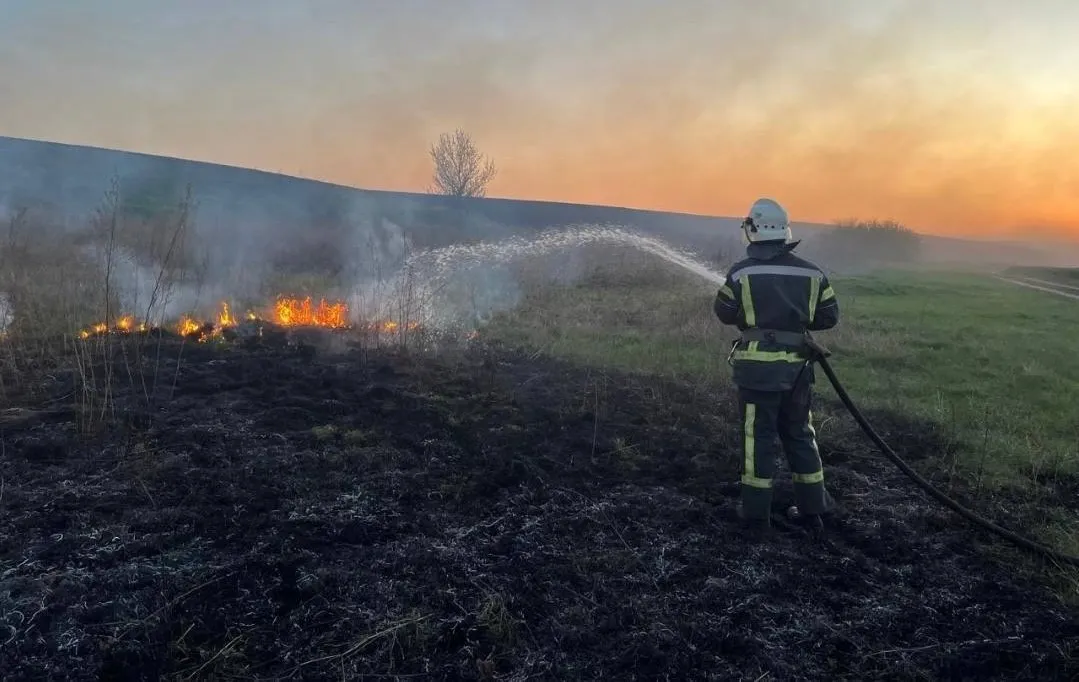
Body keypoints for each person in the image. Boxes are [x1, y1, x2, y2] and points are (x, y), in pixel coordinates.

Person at [713, 197, 840, 534]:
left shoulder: (742, 272)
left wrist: (754, 316)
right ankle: (814, 508)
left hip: (758, 371)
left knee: (758, 436)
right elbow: (828, 317)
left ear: (753, 230)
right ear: (785, 232)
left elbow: (724, 312)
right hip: (798, 369)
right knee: (800, 433)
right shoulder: (813, 273)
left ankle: (755, 513)